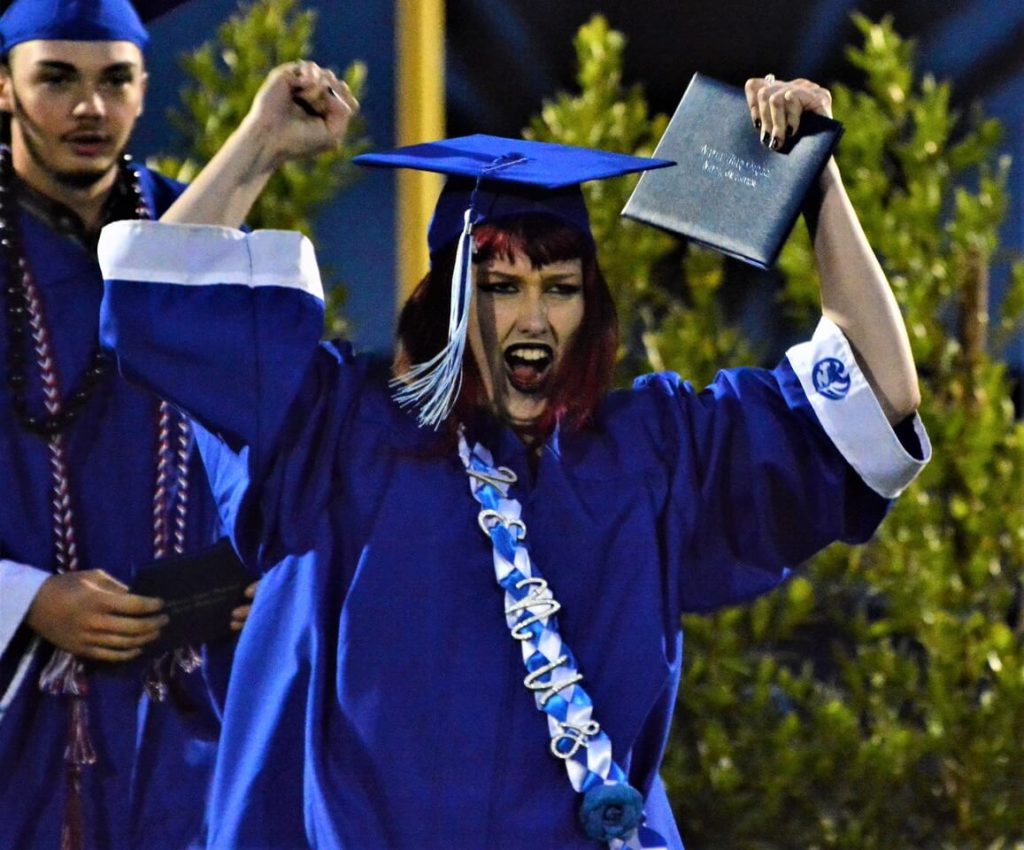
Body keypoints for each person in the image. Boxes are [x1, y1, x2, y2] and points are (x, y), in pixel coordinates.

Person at [96, 68, 929, 849]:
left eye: (559, 287)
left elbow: (876, 396)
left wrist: (815, 180)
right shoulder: (342, 433)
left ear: (590, 306)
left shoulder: (655, 455)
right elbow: (165, 303)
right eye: (500, 286)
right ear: (448, 303)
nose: (533, 319)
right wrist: (260, 146)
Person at [0, 1, 277, 847]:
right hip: (19, 738)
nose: (90, 109)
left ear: (144, 88)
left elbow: (277, 447)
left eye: (114, 80)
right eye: (58, 79)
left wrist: (274, 579)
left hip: (192, 732)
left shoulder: (204, 246)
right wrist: (26, 599)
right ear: (3, 88)